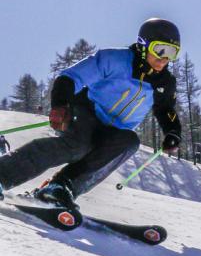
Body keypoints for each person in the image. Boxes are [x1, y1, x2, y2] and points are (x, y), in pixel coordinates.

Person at [0, 18, 182, 208]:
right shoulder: (115, 60)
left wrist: (172, 131)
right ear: (144, 45)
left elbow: (165, 109)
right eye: (160, 50)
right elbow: (70, 77)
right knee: (77, 146)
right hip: (88, 110)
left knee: (129, 142)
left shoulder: (165, 83)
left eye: (172, 53)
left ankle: (60, 187)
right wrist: (60, 105)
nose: (164, 58)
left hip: (115, 130)